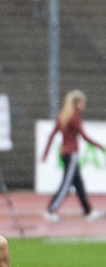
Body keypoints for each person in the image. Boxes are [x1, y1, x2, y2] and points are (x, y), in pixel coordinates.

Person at [41, 89, 105, 222]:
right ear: (77, 103)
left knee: (79, 183)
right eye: (83, 102)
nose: (84, 105)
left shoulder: (62, 115)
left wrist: (45, 152)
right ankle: (50, 210)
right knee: (66, 185)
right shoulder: (74, 116)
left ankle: (88, 211)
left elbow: (52, 135)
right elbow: (84, 136)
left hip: (65, 154)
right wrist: (100, 146)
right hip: (71, 155)